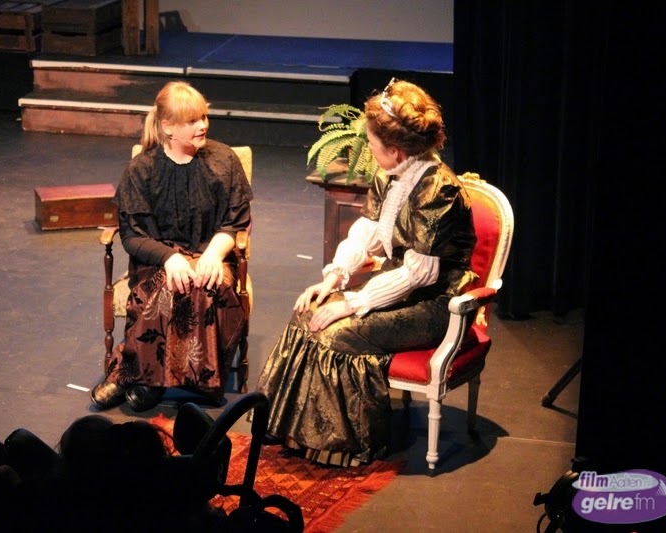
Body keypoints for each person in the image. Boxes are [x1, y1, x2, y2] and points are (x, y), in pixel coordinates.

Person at [255, 79, 478, 467]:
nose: (369, 148)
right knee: (308, 312)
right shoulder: (391, 173)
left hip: (436, 304)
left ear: (394, 149)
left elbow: (419, 275)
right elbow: (367, 233)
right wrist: (334, 277)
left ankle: (343, 442)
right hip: (396, 284)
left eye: (372, 142)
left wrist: (352, 303)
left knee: (336, 332)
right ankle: (289, 427)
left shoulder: (437, 190)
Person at [91, 81, 254, 412]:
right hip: (157, 260)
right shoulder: (143, 170)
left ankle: (170, 382)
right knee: (167, 286)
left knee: (205, 284)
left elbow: (235, 222)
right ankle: (140, 376)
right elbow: (132, 236)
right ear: (167, 126)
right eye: (192, 120)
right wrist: (170, 258)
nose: (202, 125)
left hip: (211, 254)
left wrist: (213, 254)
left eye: (203, 117)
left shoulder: (224, 160)